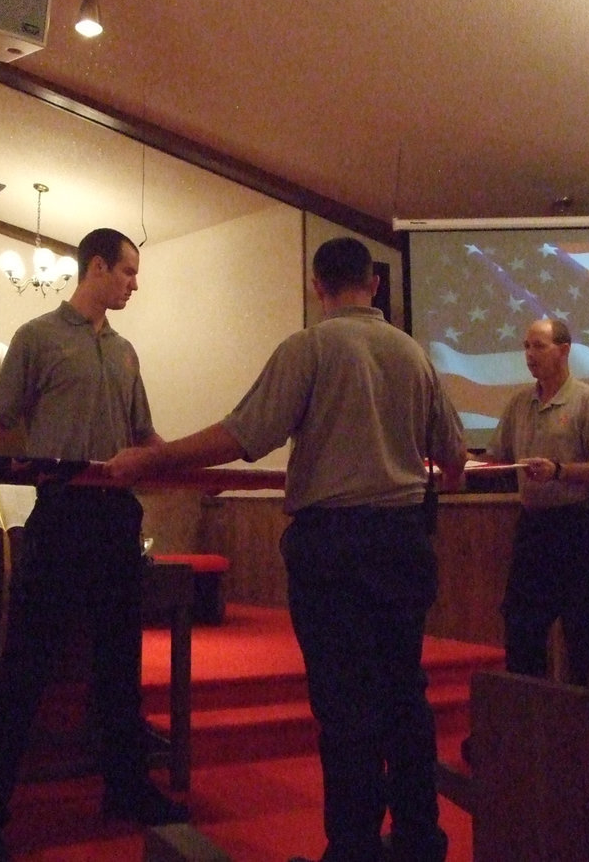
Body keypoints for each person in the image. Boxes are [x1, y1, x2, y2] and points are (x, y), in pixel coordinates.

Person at [105, 236, 467, 862]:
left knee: (345, 704)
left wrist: (155, 457)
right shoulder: (414, 355)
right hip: (405, 541)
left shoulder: (310, 348)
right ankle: (420, 840)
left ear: (316, 285)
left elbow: (243, 435)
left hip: (333, 548)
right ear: (374, 285)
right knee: (404, 693)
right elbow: (455, 462)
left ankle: (352, 847)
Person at [0, 228, 185, 862]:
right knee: (25, 668)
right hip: (59, 517)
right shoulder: (36, 337)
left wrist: (192, 469)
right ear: (96, 267)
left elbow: (144, 436)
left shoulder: (127, 352)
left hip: (117, 520)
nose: (134, 283)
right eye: (128, 272)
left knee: (119, 665)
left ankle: (126, 790)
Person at [472, 318, 589, 685]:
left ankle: (586, 729)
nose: (529, 355)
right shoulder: (520, 403)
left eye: (538, 346)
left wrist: (559, 471)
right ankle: (530, 724)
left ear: (564, 350)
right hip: (535, 530)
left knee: (584, 634)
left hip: (580, 530)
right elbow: (498, 460)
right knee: (521, 627)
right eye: (525, 346)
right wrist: (460, 462)